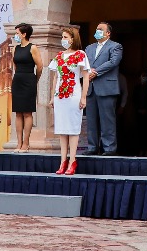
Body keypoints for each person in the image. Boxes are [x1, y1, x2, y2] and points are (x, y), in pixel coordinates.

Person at [48, 25, 91, 175]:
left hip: (74, 94)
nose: (63, 40)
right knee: (61, 129)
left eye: (66, 37)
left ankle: (72, 160)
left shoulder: (80, 55)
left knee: (73, 128)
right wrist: (53, 96)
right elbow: (55, 77)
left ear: (73, 39)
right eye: (62, 37)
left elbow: (85, 76)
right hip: (60, 96)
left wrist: (84, 96)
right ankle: (62, 161)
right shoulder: (59, 56)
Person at [84, 22, 123, 155]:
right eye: (96, 29)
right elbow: (84, 64)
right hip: (91, 88)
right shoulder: (89, 48)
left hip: (107, 87)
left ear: (108, 33)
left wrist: (95, 72)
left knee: (107, 119)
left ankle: (109, 148)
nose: (97, 31)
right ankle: (92, 147)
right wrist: (88, 71)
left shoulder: (116, 46)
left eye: (100, 29)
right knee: (91, 119)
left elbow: (113, 62)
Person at [10, 23, 41, 152]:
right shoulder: (15, 48)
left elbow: (39, 66)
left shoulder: (32, 47)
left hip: (29, 79)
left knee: (27, 112)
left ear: (24, 34)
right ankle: (18, 143)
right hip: (17, 79)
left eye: (17, 33)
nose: (15, 35)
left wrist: (35, 79)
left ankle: (26, 143)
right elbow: (14, 65)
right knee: (18, 113)